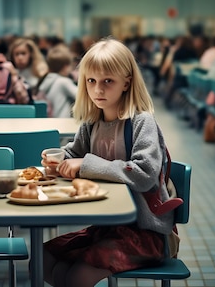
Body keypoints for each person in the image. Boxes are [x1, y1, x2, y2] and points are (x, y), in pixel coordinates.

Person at [41, 38, 179, 287]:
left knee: (76, 276)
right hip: (107, 227)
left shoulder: (141, 122)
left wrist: (85, 164)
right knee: (43, 258)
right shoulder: (92, 122)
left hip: (147, 234)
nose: (98, 90)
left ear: (126, 82)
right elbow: (75, 154)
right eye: (91, 81)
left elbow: (144, 173)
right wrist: (58, 161)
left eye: (108, 81)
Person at [36, 44, 78, 118]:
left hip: (51, 122)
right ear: (65, 66)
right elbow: (81, 96)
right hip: (64, 122)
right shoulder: (63, 82)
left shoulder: (46, 80)